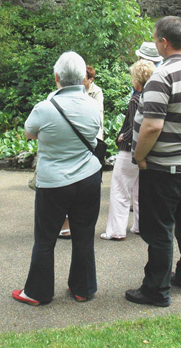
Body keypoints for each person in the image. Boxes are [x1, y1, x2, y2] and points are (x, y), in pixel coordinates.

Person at [125, 16, 181, 308]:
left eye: (155, 39)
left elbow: (151, 126)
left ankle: (156, 289)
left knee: (159, 228)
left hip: (166, 167)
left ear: (164, 42)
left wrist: (139, 156)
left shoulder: (162, 77)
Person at [13, 52, 102, 306]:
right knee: (84, 235)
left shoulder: (44, 108)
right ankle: (83, 288)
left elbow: (29, 133)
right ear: (83, 77)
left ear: (56, 77)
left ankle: (38, 292)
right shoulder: (93, 106)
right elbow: (94, 135)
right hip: (88, 178)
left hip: (53, 182)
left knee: (45, 238)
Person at [100, 59, 155, 241]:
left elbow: (135, 125)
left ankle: (116, 230)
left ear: (137, 80)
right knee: (140, 190)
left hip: (129, 150)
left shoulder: (135, 99)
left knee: (120, 189)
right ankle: (141, 225)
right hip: (147, 150)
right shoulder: (154, 97)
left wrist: (122, 136)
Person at [59, 65, 104, 239]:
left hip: (91, 139)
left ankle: (78, 222)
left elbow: (98, 117)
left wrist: (95, 142)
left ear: (90, 79)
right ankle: (67, 223)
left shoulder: (96, 92)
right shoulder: (68, 92)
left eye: (85, 78)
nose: (82, 80)